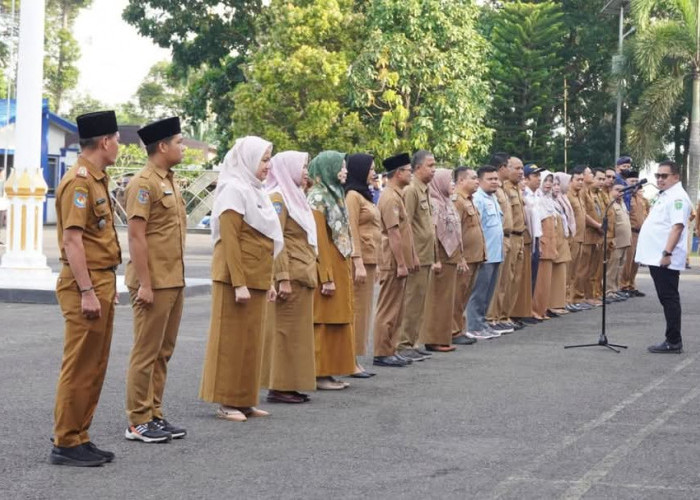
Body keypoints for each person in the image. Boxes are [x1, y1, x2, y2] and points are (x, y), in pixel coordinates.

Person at [51, 111, 122, 466]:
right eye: (118, 140)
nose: (119, 146)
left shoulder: (97, 179)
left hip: (101, 279)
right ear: (105, 141)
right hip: (87, 282)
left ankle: (80, 434)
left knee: (95, 364)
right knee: (80, 364)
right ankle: (65, 441)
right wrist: (87, 290)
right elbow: (72, 240)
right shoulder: (79, 182)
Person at [199, 136, 283, 422]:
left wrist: (268, 280)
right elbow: (230, 239)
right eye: (263, 159)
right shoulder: (233, 190)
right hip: (236, 279)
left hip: (256, 277)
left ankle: (246, 399)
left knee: (252, 342)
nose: (267, 166)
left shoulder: (256, 190)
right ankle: (227, 401)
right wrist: (239, 283)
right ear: (247, 160)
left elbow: (267, 240)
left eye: (269, 159)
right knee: (230, 341)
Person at [124, 117, 187, 443]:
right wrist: (145, 284)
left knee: (163, 351)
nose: (183, 146)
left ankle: (154, 414)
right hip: (153, 282)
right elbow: (136, 238)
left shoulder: (170, 180)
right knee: (145, 352)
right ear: (162, 146)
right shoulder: (143, 183)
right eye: (178, 141)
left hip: (173, 279)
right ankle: (137, 420)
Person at [263, 151, 318, 404]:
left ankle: (292, 383)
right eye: (303, 166)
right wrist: (282, 277)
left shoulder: (295, 197)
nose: (306, 171)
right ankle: (280, 385)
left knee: (297, 334)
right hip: (292, 274)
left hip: (303, 272)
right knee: (285, 332)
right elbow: (277, 241)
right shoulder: (278, 198)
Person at [306, 151, 356, 389]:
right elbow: (319, 241)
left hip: (340, 264)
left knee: (338, 319)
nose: (345, 171)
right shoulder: (316, 197)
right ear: (328, 168)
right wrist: (326, 277)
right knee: (324, 321)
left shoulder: (335, 194)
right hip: (327, 268)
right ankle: (319, 373)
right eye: (341, 166)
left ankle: (332, 371)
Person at [636, 160, 692, 353]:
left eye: (664, 176)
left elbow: (677, 227)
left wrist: (667, 253)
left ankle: (674, 340)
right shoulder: (666, 195)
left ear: (676, 177)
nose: (660, 179)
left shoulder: (678, 198)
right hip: (657, 256)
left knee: (669, 298)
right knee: (666, 298)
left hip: (664, 257)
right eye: (657, 176)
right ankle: (673, 339)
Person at [372, 153, 417, 367]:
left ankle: (391, 348)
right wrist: (400, 263)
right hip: (392, 260)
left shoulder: (398, 195)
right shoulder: (389, 197)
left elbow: (405, 231)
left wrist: (412, 258)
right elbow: (393, 234)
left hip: (401, 259)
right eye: (409, 170)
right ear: (398, 173)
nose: (411, 174)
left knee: (397, 307)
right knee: (388, 307)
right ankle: (382, 351)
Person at [396, 150, 436, 362]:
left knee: (420, 302)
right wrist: (409, 256)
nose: (434, 169)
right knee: (411, 301)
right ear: (418, 167)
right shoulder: (411, 191)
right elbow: (406, 224)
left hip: (426, 254)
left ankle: (412, 341)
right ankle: (403, 343)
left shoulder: (425, 190)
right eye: (430, 165)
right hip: (416, 256)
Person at [419, 168, 466, 352]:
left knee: (447, 300)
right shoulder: (435, 204)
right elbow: (433, 233)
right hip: (440, 257)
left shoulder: (448, 202)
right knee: (438, 300)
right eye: (449, 181)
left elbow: (456, 232)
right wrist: (436, 259)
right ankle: (433, 339)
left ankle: (443, 337)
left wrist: (460, 257)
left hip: (451, 257)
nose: (452, 184)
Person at [344, 153, 380, 377]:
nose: (374, 173)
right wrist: (357, 260)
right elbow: (352, 230)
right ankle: (350, 360)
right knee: (356, 311)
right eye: (370, 169)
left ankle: (355, 357)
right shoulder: (353, 196)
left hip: (370, 259)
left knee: (364, 311)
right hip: (360, 260)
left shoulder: (365, 195)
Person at [466, 166, 504, 340]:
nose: (495, 182)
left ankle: (482, 323)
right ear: (480, 181)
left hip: (496, 252)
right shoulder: (478, 199)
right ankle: (474, 326)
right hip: (485, 253)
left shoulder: (493, 198)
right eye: (490, 179)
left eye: (496, 179)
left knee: (488, 291)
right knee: (479, 292)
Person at [451, 167, 485, 344]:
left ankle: (459, 328)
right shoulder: (457, 201)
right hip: (464, 258)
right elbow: (454, 232)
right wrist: (459, 256)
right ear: (461, 181)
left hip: (474, 257)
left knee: (464, 295)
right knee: (458, 295)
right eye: (473, 178)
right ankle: (454, 330)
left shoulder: (469, 200)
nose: (477, 181)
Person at [486, 153, 515, 334]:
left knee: (505, 281)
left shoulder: (502, 188)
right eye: (511, 167)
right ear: (502, 167)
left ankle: (498, 316)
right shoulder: (493, 189)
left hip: (507, 237)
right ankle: (490, 318)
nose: (514, 171)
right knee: (495, 283)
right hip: (498, 238)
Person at [513, 163, 543, 324]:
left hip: (536, 239)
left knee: (532, 277)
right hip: (525, 239)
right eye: (535, 175)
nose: (538, 179)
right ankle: (521, 312)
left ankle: (527, 310)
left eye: (539, 176)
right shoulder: (523, 195)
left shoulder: (537, 195)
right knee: (523, 278)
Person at [532, 173, 558, 320]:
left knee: (546, 281)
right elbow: (538, 225)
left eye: (550, 181)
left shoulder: (549, 200)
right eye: (545, 180)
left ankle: (542, 309)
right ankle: (535, 310)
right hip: (543, 244)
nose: (548, 183)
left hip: (551, 243)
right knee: (540, 281)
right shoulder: (538, 200)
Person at [565, 166, 590, 311]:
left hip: (581, 237)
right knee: (569, 271)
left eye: (582, 179)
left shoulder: (579, 195)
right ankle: (566, 299)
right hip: (573, 238)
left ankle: (573, 298)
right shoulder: (568, 195)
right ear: (570, 181)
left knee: (576, 271)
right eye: (577, 180)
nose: (580, 182)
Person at [580, 168, 606, 306]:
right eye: (590, 174)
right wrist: (597, 225)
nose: (602, 181)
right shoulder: (583, 192)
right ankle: (581, 297)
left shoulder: (594, 193)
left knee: (593, 269)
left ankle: (590, 295)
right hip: (587, 235)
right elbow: (583, 214)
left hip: (596, 235)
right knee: (583, 269)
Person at [620, 169, 648, 297]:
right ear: (626, 182)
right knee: (628, 261)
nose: (635, 184)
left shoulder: (641, 198)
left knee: (636, 261)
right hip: (630, 232)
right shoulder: (626, 197)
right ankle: (624, 285)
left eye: (637, 181)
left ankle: (632, 284)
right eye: (632, 181)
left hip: (640, 233)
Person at [550, 173, 573, 315]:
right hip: (554, 240)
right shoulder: (545, 200)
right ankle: (552, 304)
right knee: (554, 274)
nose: (556, 187)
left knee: (562, 273)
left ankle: (559, 302)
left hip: (563, 238)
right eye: (554, 184)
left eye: (558, 184)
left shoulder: (559, 200)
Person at [605, 180, 631, 300]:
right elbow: (610, 224)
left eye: (622, 190)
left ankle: (615, 289)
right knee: (612, 267)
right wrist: (612, 239)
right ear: (610, 190)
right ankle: (608, 290)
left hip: (625, 241)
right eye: (617, 190)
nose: (620, 193)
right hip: (615, 241)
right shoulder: (610, 204)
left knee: (619, 267)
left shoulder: (622, 203)